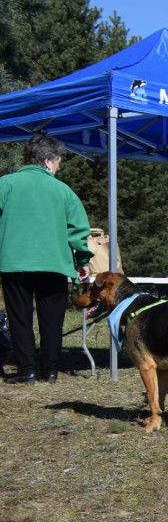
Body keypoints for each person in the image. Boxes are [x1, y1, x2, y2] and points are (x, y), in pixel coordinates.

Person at [0, 135, 93, 385]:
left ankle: (27, 371)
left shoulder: (5, 184)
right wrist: (83, 260)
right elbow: (78, 230)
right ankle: (50, 371)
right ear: (48, 161)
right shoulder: (63, 191)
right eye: (59, 162)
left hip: (15, 262)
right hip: (55, 264)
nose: (58, 167)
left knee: (19, 317)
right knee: (52, 320)